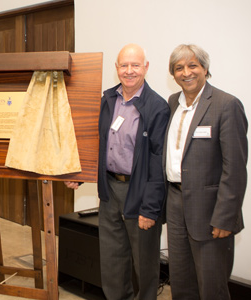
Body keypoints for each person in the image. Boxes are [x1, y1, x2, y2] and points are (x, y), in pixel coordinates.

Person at [65, 44, 169, 300]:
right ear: (116, 68)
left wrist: (151, 208)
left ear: (145, 68)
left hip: (140, 192)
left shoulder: (157, 107)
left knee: (144, 264)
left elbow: (158, 162)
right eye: (124, 65)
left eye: (135, 65)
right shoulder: (107, 100)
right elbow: (94, 141)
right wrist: (80, 173)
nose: (129, 71)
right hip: (110, 191)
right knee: (112, 260)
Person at [164, 44, 248, 300]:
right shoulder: (172, 104)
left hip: (211, 210)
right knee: (180, 280)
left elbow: (234, 169)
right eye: (179, 68)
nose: (186, 72)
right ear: (173, 74)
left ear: (205, 69)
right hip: (176, 202)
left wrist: (225, 218)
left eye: (193, 65)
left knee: (212, 286)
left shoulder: (226, 105)